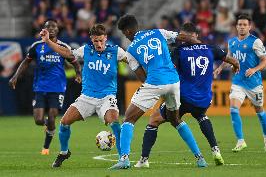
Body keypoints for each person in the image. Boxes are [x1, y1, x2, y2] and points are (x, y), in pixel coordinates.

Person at [134, 22, 240, 168]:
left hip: (183, 97)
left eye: (184, 36)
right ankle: (216, 150)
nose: (182, 39)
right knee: (201, 116)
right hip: (204, 99)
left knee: (154, 120)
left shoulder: (179, 51)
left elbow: (172, 70)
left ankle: (144, 160)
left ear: (192, 36)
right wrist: (236, 66)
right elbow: (232, 60)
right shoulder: (211, 48)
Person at [110, 15, 208, 170]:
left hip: (155, 82)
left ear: (128, 31)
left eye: (124, 34)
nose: (126, 37)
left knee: (128, 118)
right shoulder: (158, 32)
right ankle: (200, 158)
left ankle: (124, 159)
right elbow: (181, 36)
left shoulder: (131, 51)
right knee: (175, 120)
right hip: (174, 82)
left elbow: (142, 76)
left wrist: (154, 89)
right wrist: (196, 41)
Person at [40, 24, 128, 168]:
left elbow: (131, 60)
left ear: (105, 38)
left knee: (115, 123)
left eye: (101, 40)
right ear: (91, 39)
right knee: (64, 123)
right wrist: (49, 41)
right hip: (86, 97)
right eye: (95, 41)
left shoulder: (116, 51)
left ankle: (123, 158)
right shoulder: (85, 50)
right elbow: (68, 54)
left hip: (107, 97)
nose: (98, 44)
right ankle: (64, 152)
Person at [9, 19, 81, 155]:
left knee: (53, 117)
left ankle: (46, 147)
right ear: (44, 30)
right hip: (40, 87)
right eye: (48, 27)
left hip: (58, 87)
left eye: (54, 26)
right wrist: (15, 76)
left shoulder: (63, 46)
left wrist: (78, 74)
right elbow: (26, 62)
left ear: (58, 29)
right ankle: (48, 124)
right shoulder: (37, 46)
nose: (52, 29)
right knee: (38, 120)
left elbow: (75, 62)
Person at [214, 14, 266, 152]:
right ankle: (240, 141)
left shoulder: (255, 42)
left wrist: (254, 69)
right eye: (239, 24)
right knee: (234, 109)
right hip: (238, 81)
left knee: (259, 110)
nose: (242, 27)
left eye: (244, 25)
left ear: (249, 27)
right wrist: (220, 68)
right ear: (236, 26)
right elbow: (229, 58)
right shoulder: (232, 42)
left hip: (254, 84)